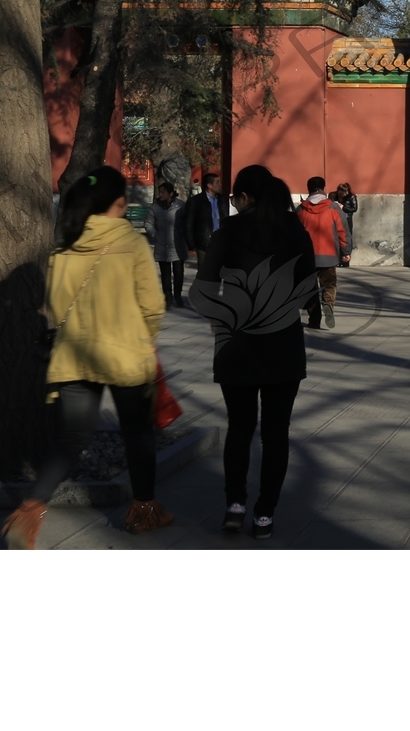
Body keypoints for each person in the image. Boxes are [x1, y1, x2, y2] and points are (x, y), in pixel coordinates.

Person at [2, 166, 173, 548]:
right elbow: (152, 304)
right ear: (116, 204)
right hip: (126, 355)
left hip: (75, 356)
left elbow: (56, 304)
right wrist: (145, 338)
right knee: (138, 435)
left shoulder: (63, 248)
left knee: (70, 439)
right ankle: (145, 511)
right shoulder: (132, 242)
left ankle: (29, 512)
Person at [190, 164, 317, 539]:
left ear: (244, 198)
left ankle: (234, 507)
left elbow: (205, 288)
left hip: (237, 344)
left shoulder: (227, 231)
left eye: (234, 198)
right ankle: (264, 515)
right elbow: (309, 290)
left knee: (240, 429)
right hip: (282, 344)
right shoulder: (294, 230)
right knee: (276, 433)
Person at [297, 175, 349, 328]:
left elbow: (293, 234)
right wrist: (346, 250)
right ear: (323, 188)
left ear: (309, 189)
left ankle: (314, 320)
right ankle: (328, 305)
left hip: (307, 257)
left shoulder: (300, 210)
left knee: (311, 290)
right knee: (329, 285)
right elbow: (343, 231)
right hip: (329, 255)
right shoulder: (333, 208)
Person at [148, 179, 189, 307]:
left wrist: (182, 233)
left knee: (178, 273)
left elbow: (187, 222)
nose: (160, 194)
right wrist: (155, 234)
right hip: (162, 245)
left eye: (163, 192)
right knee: (165, 275)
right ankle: (168, 297)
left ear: (171, 193)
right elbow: (148, 223)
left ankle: (178, 296)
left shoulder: (180, 206)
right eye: (159, 192)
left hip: (177, 244)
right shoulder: (155, 207)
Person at [185, 169, 229, 263]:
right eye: (217, 182)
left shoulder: (221, 199)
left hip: (220, 241)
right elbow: (189, 223)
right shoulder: (196, 201)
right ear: (209, 185)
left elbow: (225, 218)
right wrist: (191, 244)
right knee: (204, 273)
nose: (220, 185)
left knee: (219, 271)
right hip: (204, 242)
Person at [332, 181, 359, 252]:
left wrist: (343, 207)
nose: (345, 194)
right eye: (343, 192)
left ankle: (347, 253)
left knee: (347, 235)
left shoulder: (351, 196)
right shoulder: (333, 195)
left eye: (346, 192)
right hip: (335, 218)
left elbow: (354, 208)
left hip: (346, 218)